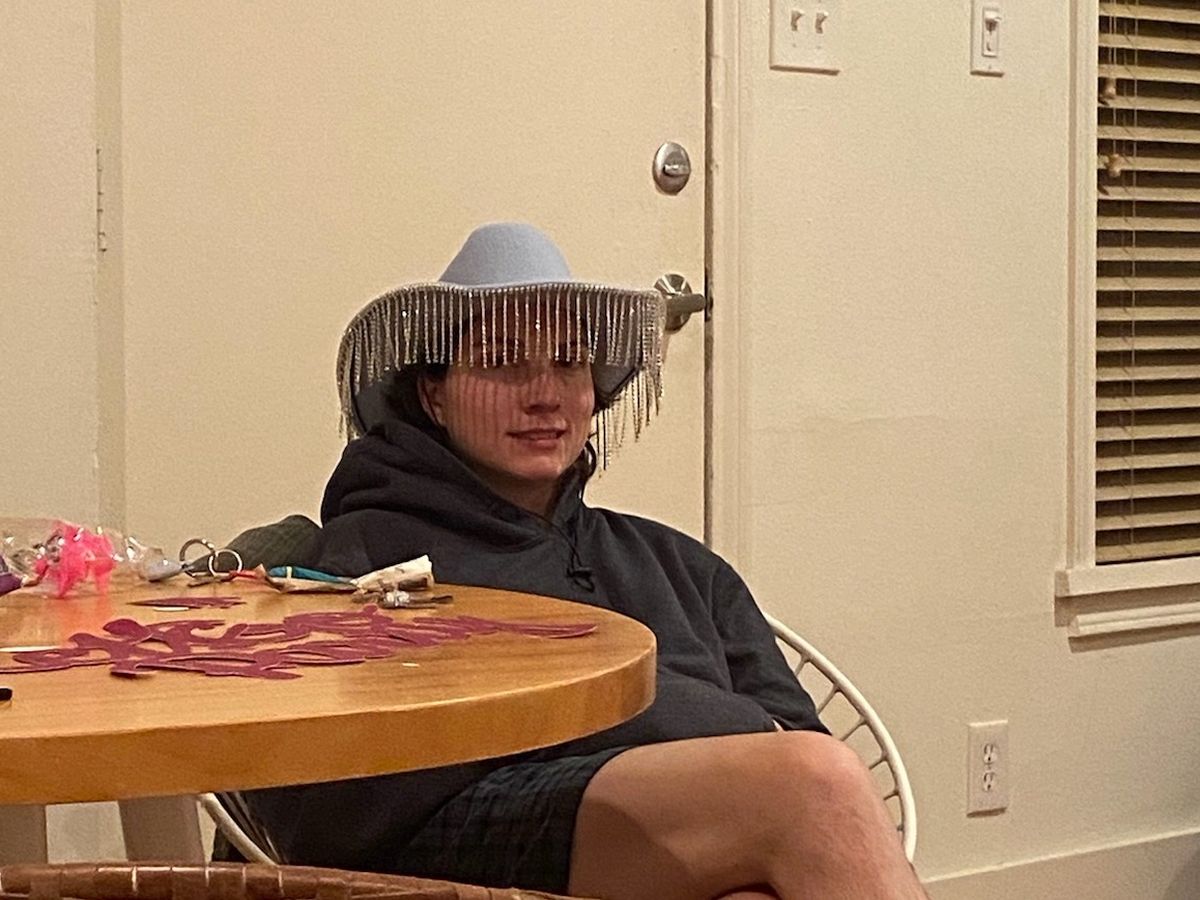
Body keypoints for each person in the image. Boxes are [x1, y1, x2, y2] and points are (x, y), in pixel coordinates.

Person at [232, 223, 926, 899]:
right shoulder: (371, 556)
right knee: (809, 784)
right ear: (433, 395)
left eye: (569, 362)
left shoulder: (679, 564)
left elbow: (794, 733)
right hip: (450, 844)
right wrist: (734, 750)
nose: (545, 393)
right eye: (502, 361)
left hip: (660, 838)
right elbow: (329, 806)